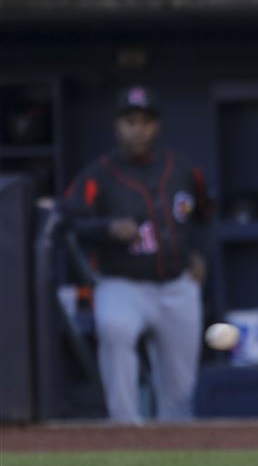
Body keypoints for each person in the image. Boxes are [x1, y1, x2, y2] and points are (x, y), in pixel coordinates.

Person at [60, 85, 213, 424]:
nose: (138, 128)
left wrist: (201, 255)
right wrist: (106, 227)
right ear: (117, 127)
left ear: (156, 126)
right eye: (130, 121)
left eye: (145, 121)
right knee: (116, 329)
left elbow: (205, 216)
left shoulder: (184, 170)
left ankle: (176, 442)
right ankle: (125, 427)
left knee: (179, 388)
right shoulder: (98, 175)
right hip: (122, 283)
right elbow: (69, 219)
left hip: (176, 284)